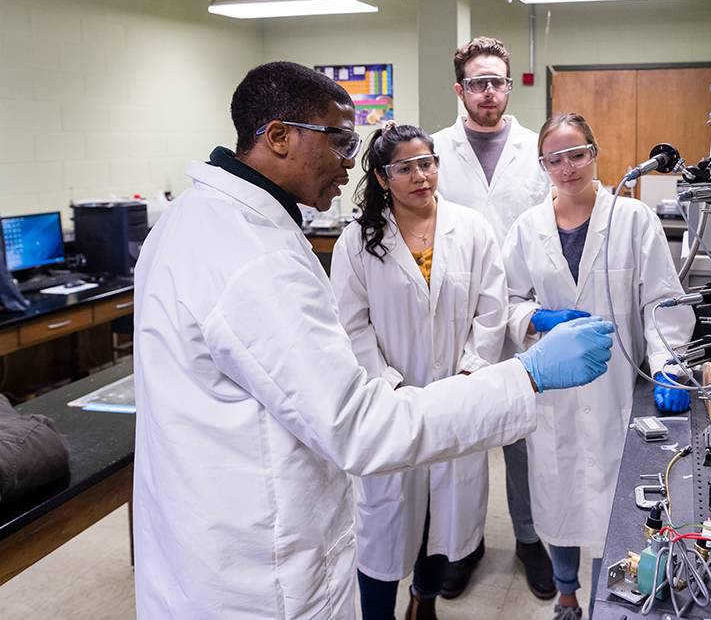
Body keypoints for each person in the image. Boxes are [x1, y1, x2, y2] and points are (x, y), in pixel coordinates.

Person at [131, 62, 615, 619]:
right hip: (259, 572)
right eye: (339, 140)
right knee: (385, 537)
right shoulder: (255, 257)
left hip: (209, 539)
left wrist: (474, 368)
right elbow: (357, 421)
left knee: (442, 524)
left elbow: (482, 309)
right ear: (279, 136)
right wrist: (526, 375)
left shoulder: (193, 219)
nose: (349, 160)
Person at [501, 113, 695, 620]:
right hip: (555, 392)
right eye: (555, 159)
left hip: (617, 391)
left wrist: (668, 365)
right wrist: (537, 317)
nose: (567, 167)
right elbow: (506, 301)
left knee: (618, 509)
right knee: (561, 500)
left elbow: (662, 301)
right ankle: (566, 596)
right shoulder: (527, 228)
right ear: (543, 165)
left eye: (577, 154)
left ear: (595, 154)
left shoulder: (633, 220)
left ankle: (608, 600)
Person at [329, 122, 509, 620]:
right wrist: (387, 383)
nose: (420, 176)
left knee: (442, 520)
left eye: (426, 163)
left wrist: (471, 372)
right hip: (389, 403)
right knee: (383, 525)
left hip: (456, 398)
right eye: (405, 168)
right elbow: (350, 325)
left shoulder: (471, 228)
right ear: (382, 178)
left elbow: (492, 310)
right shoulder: (357, 241)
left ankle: (423, 603)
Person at [433, 37, 557, 598]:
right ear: (460, 89)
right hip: (454, 315)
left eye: (498, 82)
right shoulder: (435, 151)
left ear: (509, 86)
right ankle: (463, 545)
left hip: (523, 310)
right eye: (478, 82)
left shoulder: (537, 150)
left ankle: (530, 540)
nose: (489, 92)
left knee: (525, 435)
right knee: (460, 436)